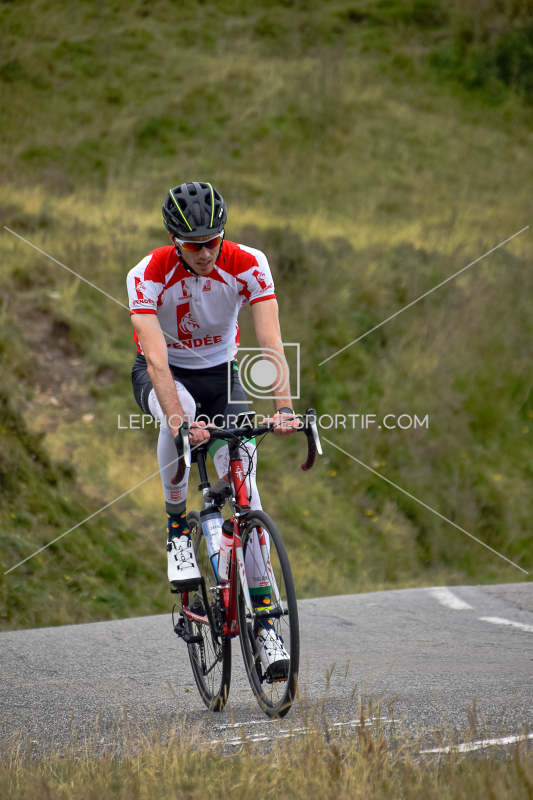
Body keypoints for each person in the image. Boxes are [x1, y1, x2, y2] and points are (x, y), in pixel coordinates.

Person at [127, 181, 298, 676]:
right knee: (177, 411)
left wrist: (283, 407)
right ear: (173, 240)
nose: (204, 253)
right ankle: (177, 529)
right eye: (193, 244)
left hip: (222, 377)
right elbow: (155, 360)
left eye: (212, 241)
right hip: (166, 376)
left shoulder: (249, 263)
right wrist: (181, 423)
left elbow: (270, 340)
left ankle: (265, 628)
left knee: (247, 492)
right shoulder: (147, 273)